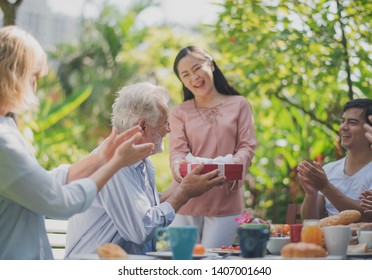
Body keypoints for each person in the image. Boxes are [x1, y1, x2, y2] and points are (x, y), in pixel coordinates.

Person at [0, 26, 154, 260]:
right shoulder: (3, 141)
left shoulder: (8, 127)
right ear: (14, 75)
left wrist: (102, 156)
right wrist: (114, 164)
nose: (35, 87)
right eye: (34, 77)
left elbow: (41, 186)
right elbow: (59, 202)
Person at [65, 82, 226, 258]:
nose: (169, 129)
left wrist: (184, 185)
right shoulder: (114, 164)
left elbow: (145, 211)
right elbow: (140, 230)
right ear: (143, 126)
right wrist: (184, 193)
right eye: (165, 122)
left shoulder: (142, 162)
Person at [167, 46, 257, 248]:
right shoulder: (180, 111)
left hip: (226, 200)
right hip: (186, 198)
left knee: (215, 262)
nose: (194, 77)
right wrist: (179, 168)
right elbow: (177, 152)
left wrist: (234, 165)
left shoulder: (239, 104)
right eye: (185, 75)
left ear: (211, 64)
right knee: (182, 263)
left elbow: (247, 145)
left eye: (197, 68)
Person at [297, 98, 372, 225]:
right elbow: (310, 222)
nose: (343, 127)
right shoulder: (328, 169)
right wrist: (311, 194)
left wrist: (325, 186)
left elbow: (369, 216)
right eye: (343, 121)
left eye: (352, 122)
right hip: (329, 242)